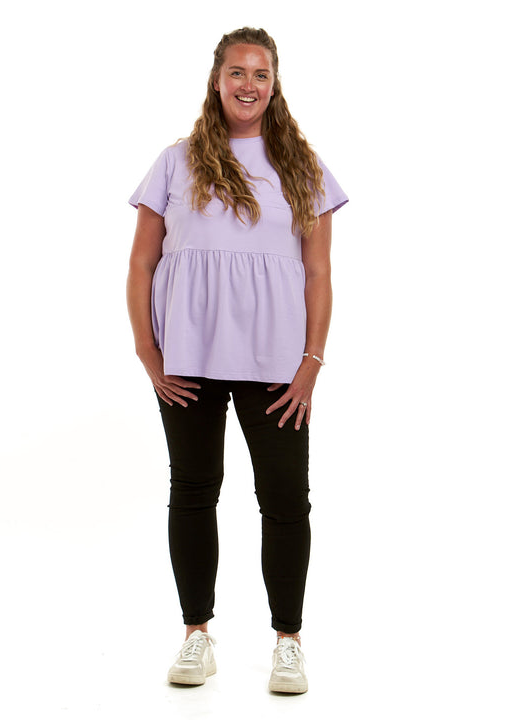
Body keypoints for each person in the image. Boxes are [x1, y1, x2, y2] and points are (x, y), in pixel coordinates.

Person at [126, 27, 348, 694]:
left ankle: (289, 642)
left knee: (285, 499)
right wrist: (147, 350)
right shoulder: (177, 161)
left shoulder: (302, 167)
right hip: (186, 359)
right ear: (217, 80)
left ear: (274, 86)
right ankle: (196, 635)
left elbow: (318, 273)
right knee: (193, 492)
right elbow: (141, 263)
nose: (248, 84)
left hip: (276, 363)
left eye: (260, 74)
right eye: (237, 72)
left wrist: (312, 361)